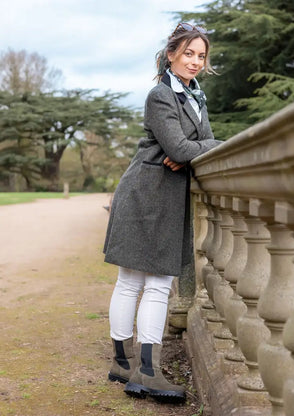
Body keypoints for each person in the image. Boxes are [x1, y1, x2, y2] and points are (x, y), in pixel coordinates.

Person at [103, 22, 222, 402]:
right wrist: (196, 147)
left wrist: (190, 148)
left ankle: (127, 364)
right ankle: (142, 370)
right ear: (171, 55)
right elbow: (181, 148)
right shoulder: (161, 95)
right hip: (146, 195)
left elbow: (188, 148)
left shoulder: (194, 97)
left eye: (201, 56)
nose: (195, 62)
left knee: (141, 282)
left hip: (160, 196)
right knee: (142, 283)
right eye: (188, 53)